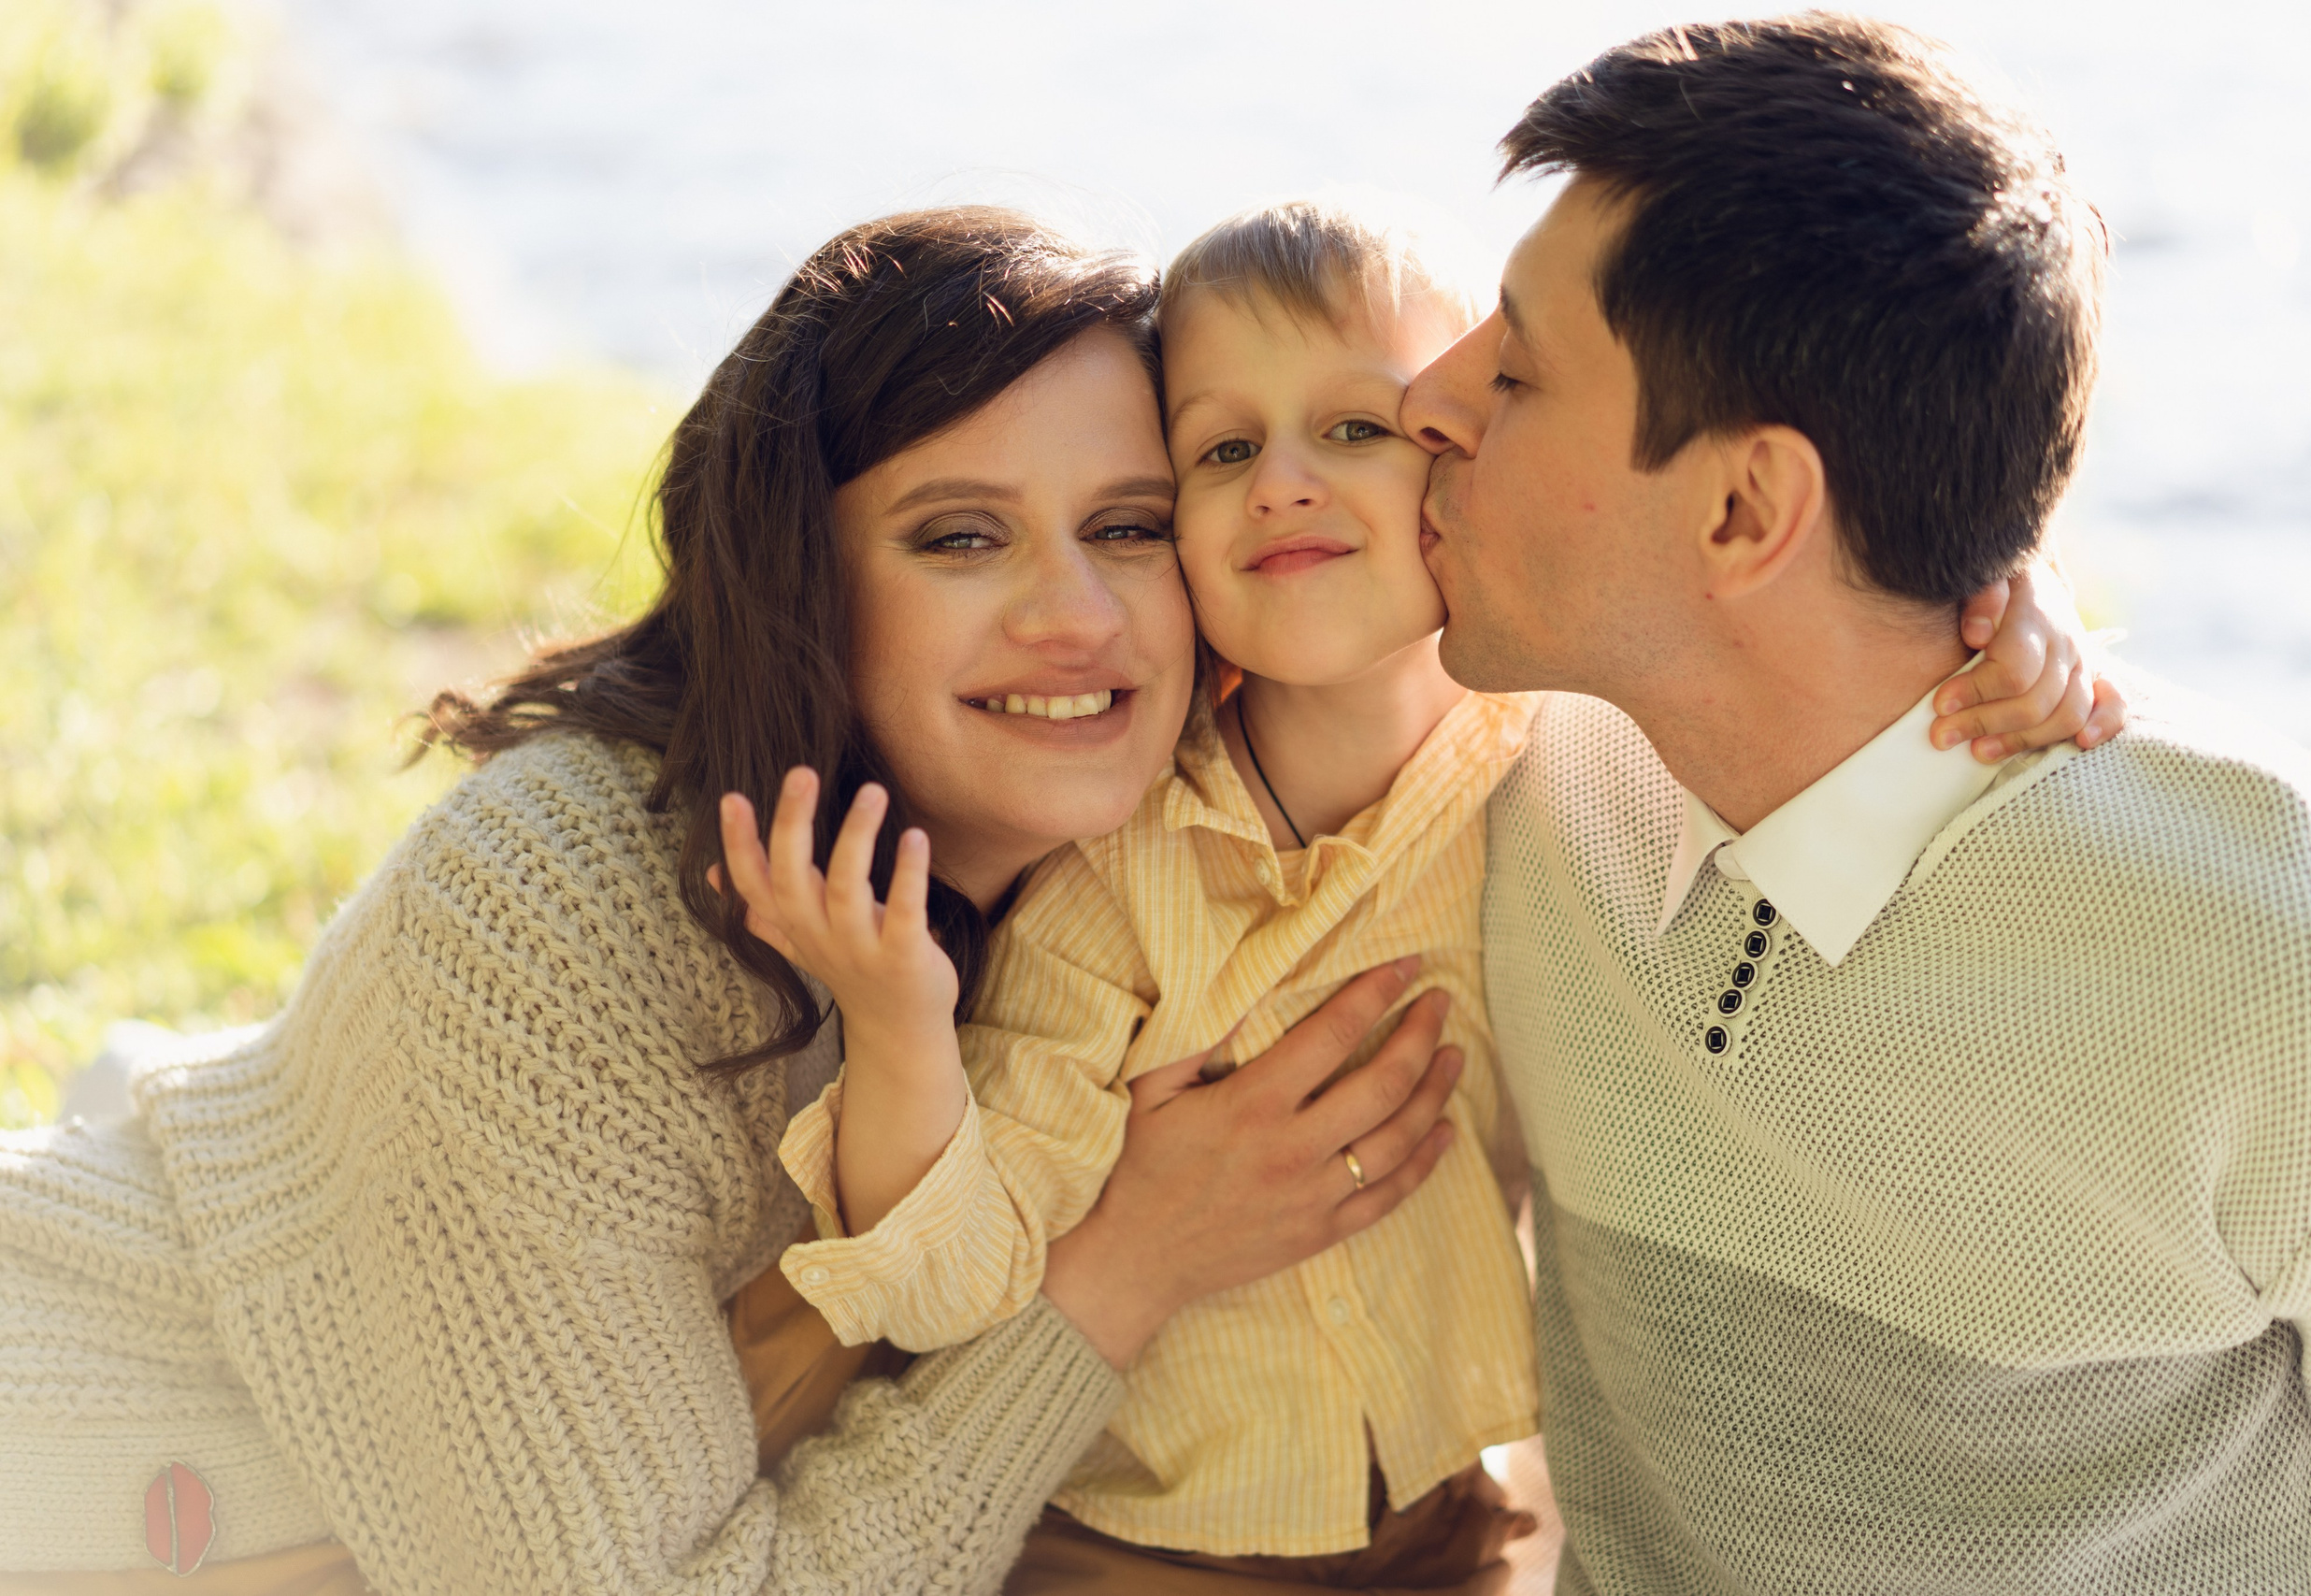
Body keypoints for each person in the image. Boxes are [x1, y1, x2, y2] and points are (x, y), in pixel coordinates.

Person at [0, 208, 1471, 1596]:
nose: (1076, 615)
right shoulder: (564, 910)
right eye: (961, 535)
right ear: (798, 587)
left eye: (1132, 525)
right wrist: (1125, 1271)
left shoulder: (1123, 855)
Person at [730, 195, 2120, 1589]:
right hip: (1139, 1547)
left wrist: (2005, 588)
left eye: (1356, 429)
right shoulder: (1120, 881)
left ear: (1467, 467)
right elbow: (942, 1284)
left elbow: (1777, 610)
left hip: (1458, 1528)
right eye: (1221, 450)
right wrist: (905, 1028)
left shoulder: (1567, 762)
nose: (1282, 481)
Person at [1400, 16, 2311, 1593]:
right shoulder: (1505, 768)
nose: (1425, 403)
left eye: (1513, 369)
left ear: (1744, 509)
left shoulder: (2303, 962)